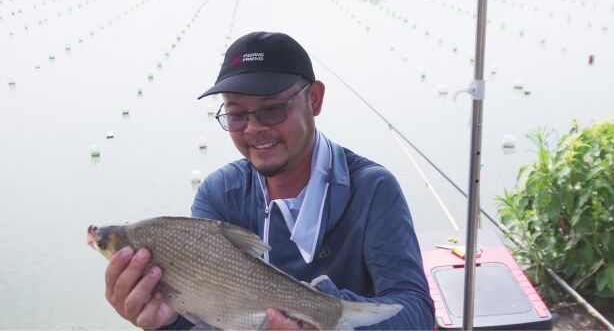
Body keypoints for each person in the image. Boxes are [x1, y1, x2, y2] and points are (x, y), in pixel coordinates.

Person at [103, 31, 435, 330]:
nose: (253, 128)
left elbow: (415, 311)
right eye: (236, 115)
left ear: (314, 99)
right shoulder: (219, 194)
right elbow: (207, 318)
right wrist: (168, 320)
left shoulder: (373, 189)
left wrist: (321, 315)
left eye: (272, 109)